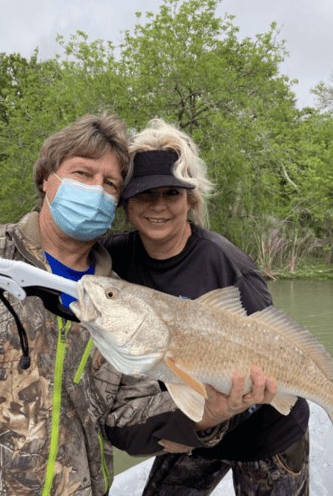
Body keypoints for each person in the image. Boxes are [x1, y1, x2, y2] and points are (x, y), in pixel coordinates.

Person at [0, 114, 276, 495]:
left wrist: (212, 414)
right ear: (46, 177)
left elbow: (127, 420)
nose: (95, 190)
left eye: (110, 183)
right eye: (82, 174)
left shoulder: (123, 296)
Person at [100, 119, 310, 496]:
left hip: (267, 432)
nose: (158, 207)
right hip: (191, 423)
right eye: (145, 195)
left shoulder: (229, 266)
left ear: (191, 200)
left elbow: (277, 344)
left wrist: (233, 402)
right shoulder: (114, 259)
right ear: (126, 204)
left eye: (172, 194)